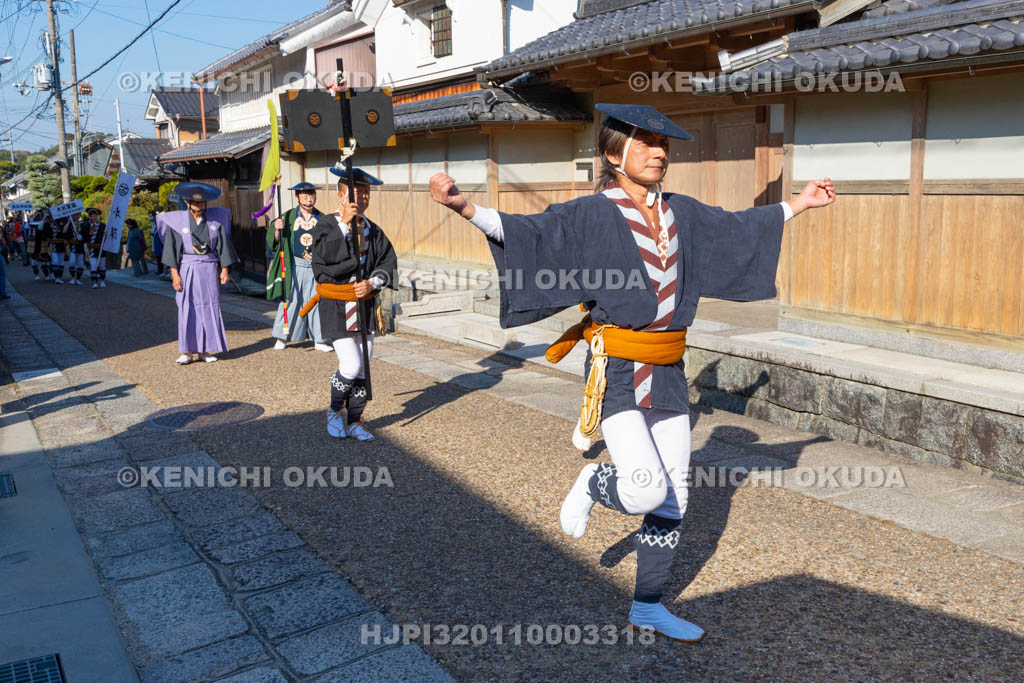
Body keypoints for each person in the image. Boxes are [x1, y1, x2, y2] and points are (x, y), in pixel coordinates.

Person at [429, 103, 836, 643]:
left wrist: (800, 204)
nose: (659, 151)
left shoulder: (682, 213)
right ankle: (594, 480)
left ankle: (647, 607)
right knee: (644, 491)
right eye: (644, 142)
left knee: (675, 498)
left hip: (668, 368)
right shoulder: (591, 213)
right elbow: (528, 232)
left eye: (662, 143)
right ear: (612, 153)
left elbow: (739, 228)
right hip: (619, 367)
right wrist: (464, 207)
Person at [301, 166, 397, 441]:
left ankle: (355, 420)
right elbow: (323, 261)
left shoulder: (371, 229)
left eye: (367, 194)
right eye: (357, 193)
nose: (363, 199)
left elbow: (388, 262)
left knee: (364, 366)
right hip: (337, 305)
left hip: (364, 306)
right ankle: (333, 411)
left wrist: (373, 283)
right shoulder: (326, 225)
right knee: (351, 365)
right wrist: (343, 224)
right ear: (341, 196)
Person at [158, 182, 239, 365]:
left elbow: (223, 246)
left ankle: (205, 350)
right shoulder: (177, 223)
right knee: (187, 307)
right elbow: (171, 250)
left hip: (209, 267)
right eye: (195, 203)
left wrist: (225, 269)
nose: (199, 206)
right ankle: (186, 351)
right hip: (186, 267)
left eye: (202, 203)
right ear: (187, 202)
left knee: (209, 306)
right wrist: (174, 275)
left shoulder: (214, 222)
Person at [267, 182, 332, 352]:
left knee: (317, 301)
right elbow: (274, 242)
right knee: (290, 299)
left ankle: (319, 339)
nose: (309, 199)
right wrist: (276, 229)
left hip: (315, 266)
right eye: (304, 196)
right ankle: (281, 336)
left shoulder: (323, 219)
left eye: (311, 195)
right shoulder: (287, 217)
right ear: (297, 197)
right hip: (294, 265)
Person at [83, 207, 108, 288]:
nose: (94, 217)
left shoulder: (103, 226)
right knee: (93, 266)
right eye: (92, 216)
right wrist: (80, 236)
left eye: (95, 216)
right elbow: (84, 238)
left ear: (98, 216)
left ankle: (102, 280)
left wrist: (106, 235)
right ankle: (94, 282)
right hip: (92, 250)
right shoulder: (86, 226)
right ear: (89, 217)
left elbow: (108, 239)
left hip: (101, 249)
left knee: (102, 266)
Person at [29, 214, 52, 281]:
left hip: (42, 243)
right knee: (34, 261)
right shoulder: (31, 225)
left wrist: (44, 217)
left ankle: (47, 275)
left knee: (44, 260)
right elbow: (32, 221)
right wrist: (36, 214)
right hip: (33, 244)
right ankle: (36, 275)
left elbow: (40, 227)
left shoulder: (46, 224)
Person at [67, 212, 87, 285]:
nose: (76, 216)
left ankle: (78, 278)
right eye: (74, 214)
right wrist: (69, 222)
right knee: (72, 262)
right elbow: (65, 232)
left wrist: (81, 237)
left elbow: (86, 235)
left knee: (80, 264)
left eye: (78, 214)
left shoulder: (83, 224)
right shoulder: (70, 224)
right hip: (72, 246)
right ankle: (73, 277)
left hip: (80, 246)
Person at [50, 214, 69, 284]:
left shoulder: (63, 223)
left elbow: (64, 232)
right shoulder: (50, 225)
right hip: (54, 246)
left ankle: (60, 277)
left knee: (61, 263)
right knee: (55, 262)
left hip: (61, 245)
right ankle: (56, 277)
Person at [151, 206, 165, 276]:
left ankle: (162, 271)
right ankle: (160, 271)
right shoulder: (157, 227)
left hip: (161, 246)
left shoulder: (161, 220)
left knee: (161, 259)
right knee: (159, 259)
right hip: (158, 246)